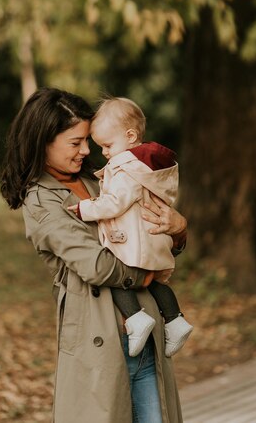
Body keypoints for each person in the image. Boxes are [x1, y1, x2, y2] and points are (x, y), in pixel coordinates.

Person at [0, 87, 188, 423]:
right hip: (99, 341)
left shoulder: (101, 180)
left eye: (88, 140)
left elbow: (145, 238)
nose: (87, 150)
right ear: (44, 140)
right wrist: (147, 275)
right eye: (76, 142)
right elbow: (98, 266)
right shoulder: (41, 200)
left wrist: (177, 230)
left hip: (146, 333)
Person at [69, 97, 193, 359]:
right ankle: (175, 319)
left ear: (130, 135)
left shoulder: (128, 169)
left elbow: (114, 203)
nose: (102, 152)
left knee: (117, 280)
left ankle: (136, 319)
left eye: (107, 145)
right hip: (149, 238)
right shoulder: (144, 166)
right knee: (155, 281)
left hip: (134, 240)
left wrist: (85, 209)